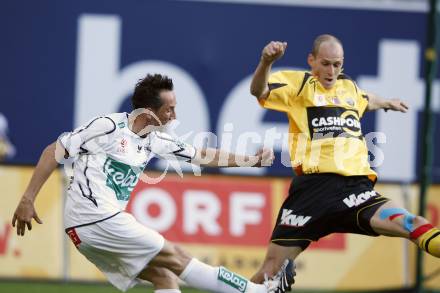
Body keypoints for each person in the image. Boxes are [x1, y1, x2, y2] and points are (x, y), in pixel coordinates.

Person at [12, 74, 295, 293]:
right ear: (148, 112)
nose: (175, 115)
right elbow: (54, 151)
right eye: (169, 109)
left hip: (90, 228)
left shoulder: (156, 138)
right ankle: (257, 291)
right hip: (94, 218)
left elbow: (202, 155)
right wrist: (28, 199)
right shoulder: (109, 127)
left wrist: (251, 161)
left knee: (164, 275)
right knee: (176, 256)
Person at [248, 34, 440, 284]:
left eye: (337, 64)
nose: (331, 70)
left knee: (412, 223)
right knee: (270, 272)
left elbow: (365, 100)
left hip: (356, 192)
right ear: (311, 60)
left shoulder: (348, 87)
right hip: (312, 193)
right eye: (325, 63)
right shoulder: (299, 85)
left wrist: (386, 103)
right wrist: (266, 62)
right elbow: (258, 90)